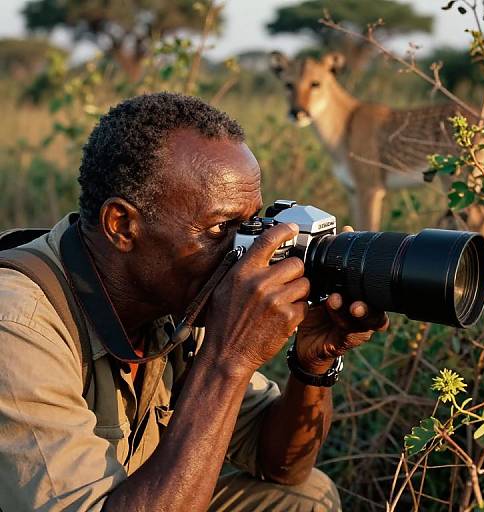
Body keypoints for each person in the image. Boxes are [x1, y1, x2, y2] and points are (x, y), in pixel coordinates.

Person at [0, 93, 388, 511]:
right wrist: (229, 358)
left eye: (253, 225)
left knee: (301, 499)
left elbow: (280, 467)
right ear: (122, 226)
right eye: (223, 227)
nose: (247, 249)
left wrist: (313, 363)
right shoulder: (20, 325)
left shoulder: (176, 299)